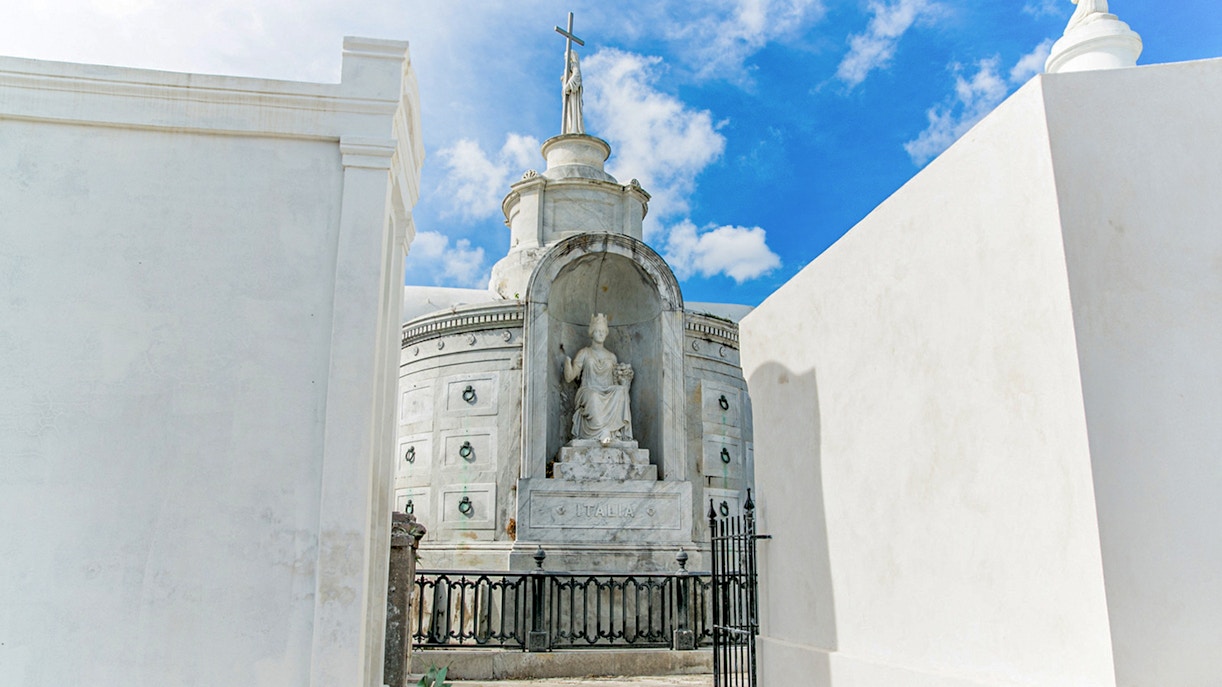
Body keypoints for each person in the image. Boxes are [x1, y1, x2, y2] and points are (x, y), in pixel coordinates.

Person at [564, 313, 632, 444]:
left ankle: (613, 431)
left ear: (606, 334)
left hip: (607, 389)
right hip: (588, 389)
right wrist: (567, 363)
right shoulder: (584, 353)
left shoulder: (612, 356)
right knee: (594, 396)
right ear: (592, 333)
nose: (600, 334)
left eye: (603, 331)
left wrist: (625, 382)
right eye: (597, 331)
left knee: (620, 391)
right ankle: (602, 431)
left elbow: (615, 381)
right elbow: (569, 377)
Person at [562, 50, 584, 135]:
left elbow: (576, 76)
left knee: (573, 112)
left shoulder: (574, 65)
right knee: (569, 113)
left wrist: (568, 86)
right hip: (568, 96)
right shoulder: (568, 67)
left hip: (573, 94)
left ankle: (574, 128)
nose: (565, 58)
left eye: (566, 56)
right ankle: (570, 128)